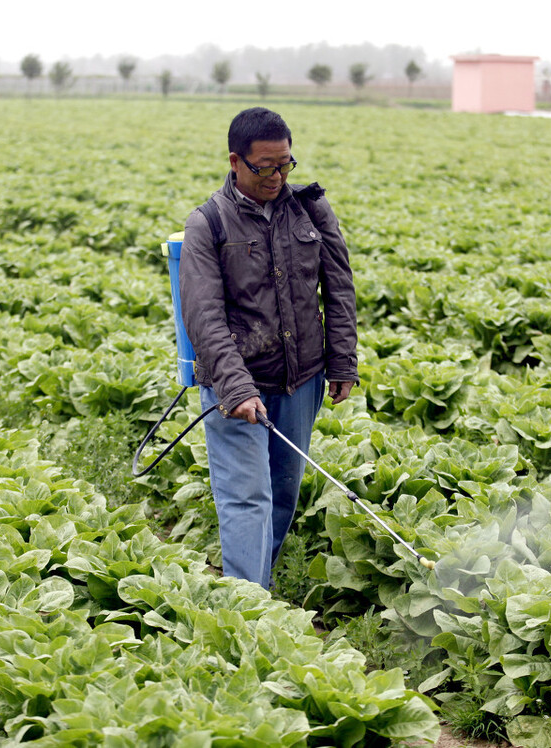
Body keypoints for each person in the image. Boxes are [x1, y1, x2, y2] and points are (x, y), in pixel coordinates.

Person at [179, 107, 358, 589]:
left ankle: (258, 586)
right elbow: (204, 317)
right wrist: (236, 390)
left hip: (300, 379)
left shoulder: (311, 209)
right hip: (235, 382)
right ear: (236, 161)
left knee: (282, 493)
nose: (277, 176)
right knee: (246, 497)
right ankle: (247, 608)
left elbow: (338, 287)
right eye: (265, 167)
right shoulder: (208, 225)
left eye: (286, 164)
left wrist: (341, 360)